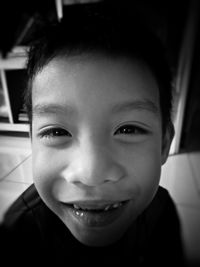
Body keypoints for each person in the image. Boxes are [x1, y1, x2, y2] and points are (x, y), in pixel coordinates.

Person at [0, 2, 185, 266]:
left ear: (164, 144)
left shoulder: (161, 210)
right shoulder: (19, 231)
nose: (91, 174)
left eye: (128, 129)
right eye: (57, 131)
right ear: (31, 142)